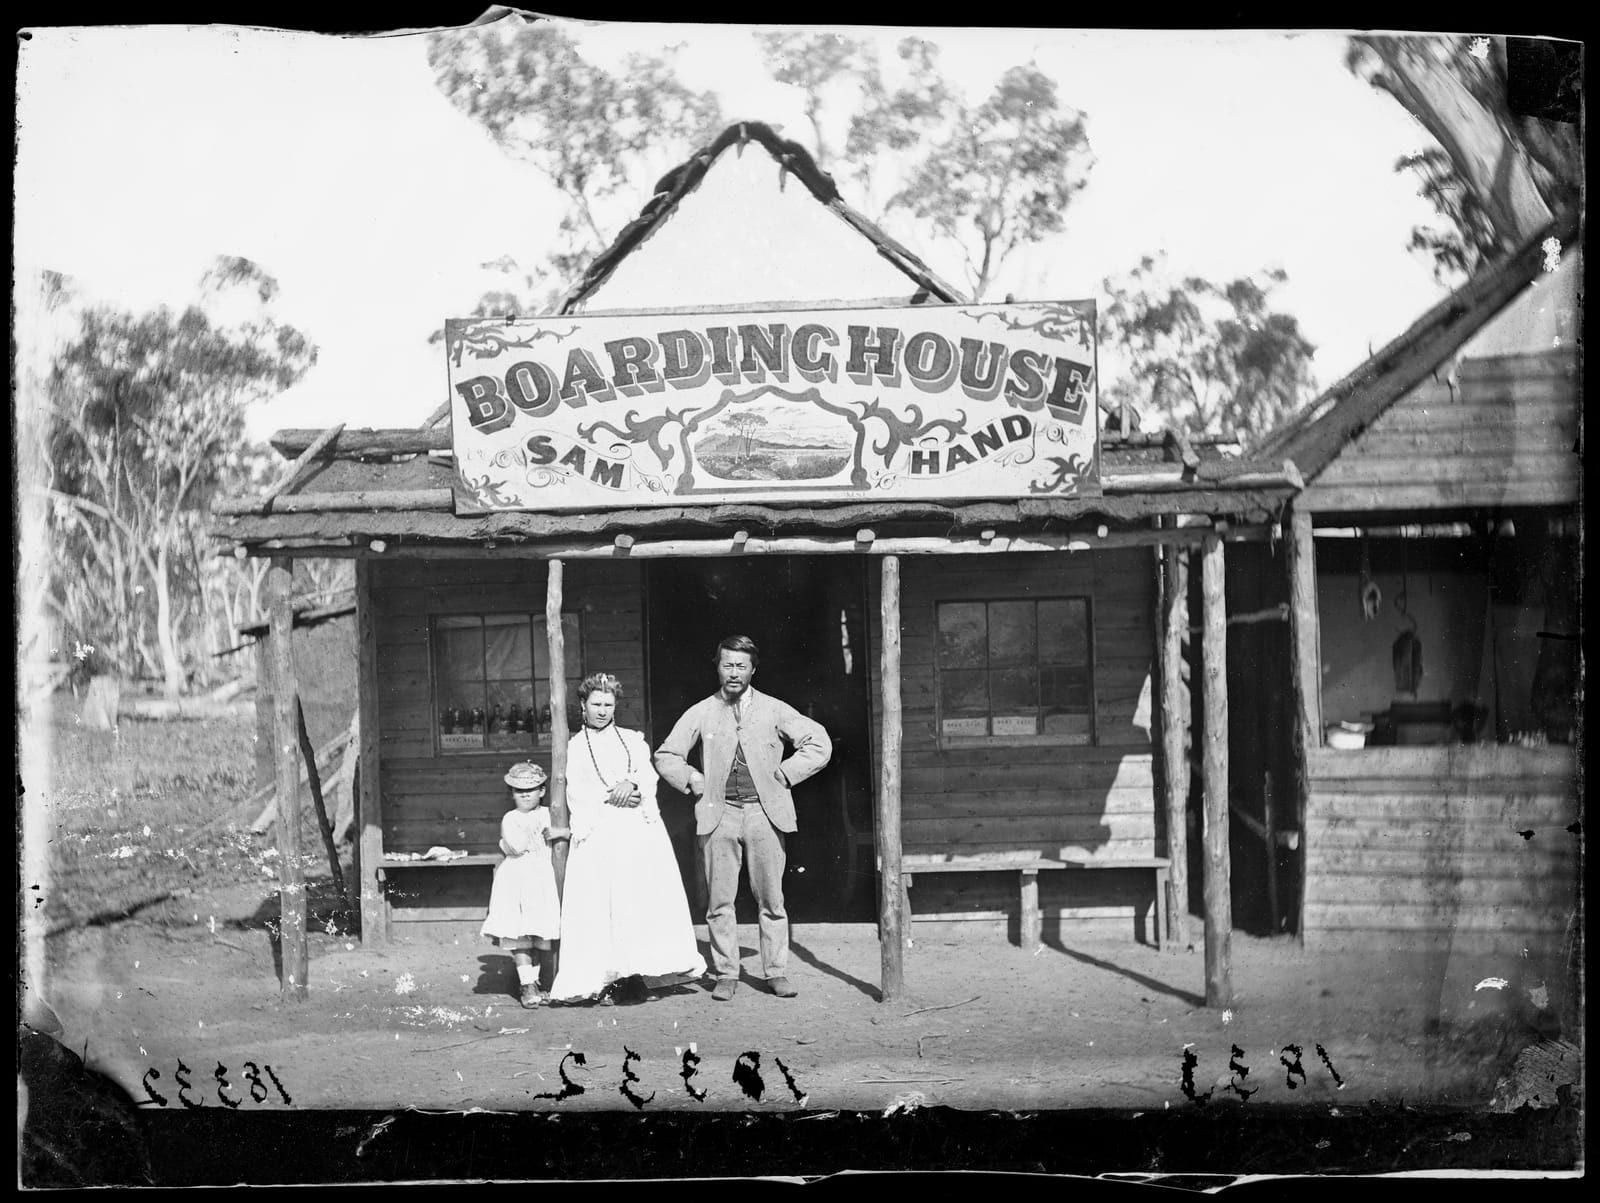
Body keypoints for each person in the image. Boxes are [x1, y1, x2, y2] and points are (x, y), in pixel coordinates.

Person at [654, 635, 831, 1002]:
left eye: (741, 666)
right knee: (719, 902)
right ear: (717, 667)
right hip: (720, 816)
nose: (733, 673)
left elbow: (819, 743)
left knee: (772, 899)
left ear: (753, 669)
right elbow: (667, 754)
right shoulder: (702, 711)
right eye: (727, 665)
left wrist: (786, 773)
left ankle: (776, 972)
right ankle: (726, 973)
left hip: (764, 816)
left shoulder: (775, 709)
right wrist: (691, 777)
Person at [549, 673, 708, 1005]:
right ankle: (606, 978)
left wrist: (632, 786)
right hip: (599, 833)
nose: (603, 711)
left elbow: (645, 776)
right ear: (583, 705)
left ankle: (635, 974)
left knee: (636, 898)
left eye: (608, 705)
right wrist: (614, 795)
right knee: (602, 902)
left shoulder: (632, 740)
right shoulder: (574, 747)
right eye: (596, 705)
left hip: (636, 830)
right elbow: (576, 789)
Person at [480, 762, 566, 1009]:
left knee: (539, 930)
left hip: (542, 877)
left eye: (532, 789)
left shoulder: (551, 813)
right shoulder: (512, 818)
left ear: (542, 791)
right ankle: (526, 983)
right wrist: (507, 844)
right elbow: (517, 846)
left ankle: (539, 982)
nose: (526, 794)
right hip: (518, 877)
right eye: (519, 791)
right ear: (512, 794)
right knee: (520, 932)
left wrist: (557, 831)